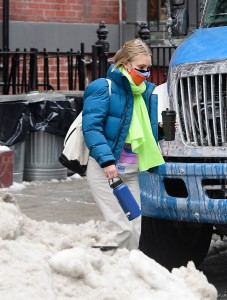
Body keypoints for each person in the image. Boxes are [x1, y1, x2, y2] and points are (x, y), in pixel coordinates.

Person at [82, 39, 165, 250]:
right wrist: (107, 162)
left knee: (135, 229)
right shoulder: (102, 88)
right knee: (120, 228)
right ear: (126, 64)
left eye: (148, 68)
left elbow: (136, 129)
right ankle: (95, 268)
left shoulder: (144, 92)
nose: (146, 73)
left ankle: (125, 275)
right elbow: (91, 128)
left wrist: (161, 129)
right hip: (106, 171)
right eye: (141, 68)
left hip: (131, 171)